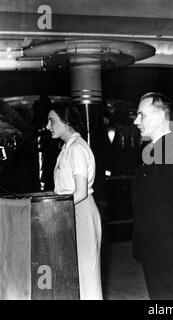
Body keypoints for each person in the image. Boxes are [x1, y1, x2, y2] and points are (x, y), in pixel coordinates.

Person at [131, 92, 173, 300]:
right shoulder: (154, 150)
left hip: (166, 248)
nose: (136, 121)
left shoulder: (170, 151)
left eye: (141, 115)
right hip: (155, 246)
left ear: (160, 116)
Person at [46, 102, 102, 300]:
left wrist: (56, 209)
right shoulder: (67, 148)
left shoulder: (77, 148)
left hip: (79, 211)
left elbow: (80, 192)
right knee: (74, 273)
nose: (48, 126)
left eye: (52, 121)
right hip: (71, 212)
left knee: (86, 276)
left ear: (66, 122)